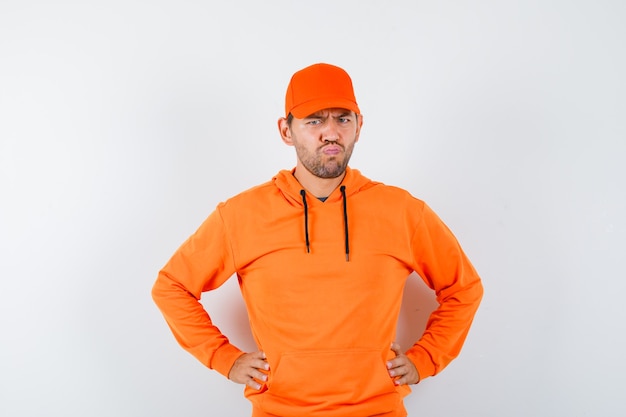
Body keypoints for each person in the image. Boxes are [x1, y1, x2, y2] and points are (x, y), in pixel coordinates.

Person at [152, 63, 484, 417]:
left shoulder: (402, 212)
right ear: (286, 130)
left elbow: (464, 289)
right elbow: (172, 287)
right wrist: (224, 358)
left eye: (343, 119)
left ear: (359, 126)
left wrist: (426, 357)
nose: (331, 133)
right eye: (314, 120)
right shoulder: (240, 215)